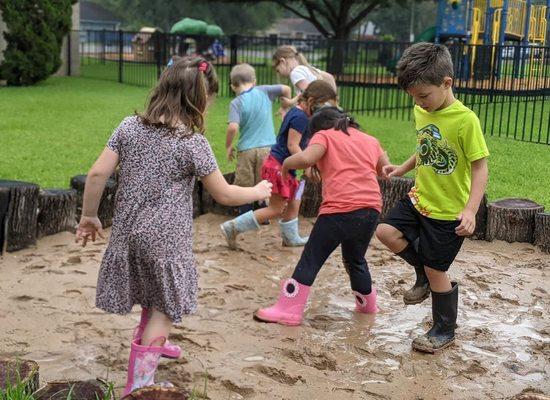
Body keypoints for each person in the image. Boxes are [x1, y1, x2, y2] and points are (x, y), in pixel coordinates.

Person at [75, 56, 272, 396]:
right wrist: (256, 190)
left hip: (127, 236)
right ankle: (139, 385)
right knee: (166, 309)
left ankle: (154, 345)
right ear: (198, 99)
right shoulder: (191, 143)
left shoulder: (128, 127)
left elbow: (96, 174)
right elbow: (223, 194)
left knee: (153, 295)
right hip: (166, 242)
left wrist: (89, 216)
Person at [375, 43, 489, 353]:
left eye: (424, 96)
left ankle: (443, 330)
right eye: (414, 98)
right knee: (385, 231)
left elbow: (480, 168)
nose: (420, 103)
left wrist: (470, 209)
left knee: (438, 269)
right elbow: (424, 147)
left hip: (448, 211)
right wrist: (402, 167)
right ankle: (422, 275)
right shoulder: (422, 110)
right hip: (420, 197)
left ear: (447, 83)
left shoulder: (466, 121)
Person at [254, 107, 390, 325]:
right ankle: (368, 307)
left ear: (317, 129)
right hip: (371, 208)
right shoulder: (370, 140)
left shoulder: (324, 135)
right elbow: (386, 171)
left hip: (339, 208)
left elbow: (307, 158)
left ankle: (288, 310)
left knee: (311, 258)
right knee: (355, 259)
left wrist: (287, 163)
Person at [220, 80, 338, 249]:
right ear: (311, 101)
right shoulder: (300, 117)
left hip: (286, 167)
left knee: (295, 199)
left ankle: (290, 237)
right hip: (279, 167)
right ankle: (232, 227)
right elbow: (293, 145)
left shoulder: (301, 114)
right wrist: (308, 164)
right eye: (322, 106)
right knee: (275, 209)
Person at [226, 63, 292, 214]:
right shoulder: (264, 91)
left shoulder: (236, 103)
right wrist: (285, 107)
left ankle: (245, 213)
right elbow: (286, 89)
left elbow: (233, 127)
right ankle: (264, 215)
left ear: (232, 86)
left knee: (245, 182)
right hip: (268, 148)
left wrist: (228, 146)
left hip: (246, 150)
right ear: (254, 81)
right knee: (265, 181)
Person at [272, 45, 336, 108]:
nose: (279, 74)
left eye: (278, 70)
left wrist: (290, 102)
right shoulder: (308, 68)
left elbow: (308, 92)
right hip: (323, 108)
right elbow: (330, 77)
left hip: (317, 110)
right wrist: (334, 102)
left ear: (283, 61)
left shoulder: (295, 73)